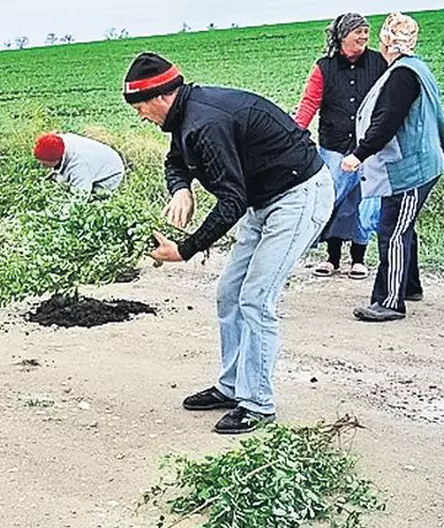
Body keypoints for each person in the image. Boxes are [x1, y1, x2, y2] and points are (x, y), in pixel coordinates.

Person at [130, 52, 334, 435]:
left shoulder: (206, 121)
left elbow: (231, 202)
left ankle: (257, 403)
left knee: (256, 298)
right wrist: (181, 190)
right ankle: (232, 387)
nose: (140, 115)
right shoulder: (184, 117)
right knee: (229, 293)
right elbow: (175, 161)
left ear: (160, 97)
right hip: (264, 199)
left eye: (140, 107)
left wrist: (184, 249)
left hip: (298, 196)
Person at [345, 13, 444, 322]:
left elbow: (386, 122)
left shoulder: (401, 76)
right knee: (403, 225)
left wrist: (358, 155)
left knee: (394, 230)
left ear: (387, 41)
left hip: (409, 168)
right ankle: (409, 286)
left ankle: (389, 301)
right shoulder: (417, 67)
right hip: (423, 161)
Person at [294, 12, 387, 279]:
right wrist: (297, 133)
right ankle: (331, 258)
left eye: (366, 33)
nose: (363, 37)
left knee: (363, 200)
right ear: (343, 35)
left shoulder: (379, 63)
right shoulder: (324, 67)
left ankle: (359, 258)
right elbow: (310, 103)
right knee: (333, 199)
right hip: (334, 145)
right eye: (358, 32)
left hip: (367, 147)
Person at [32, 132, 125, 196]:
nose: (42, 166)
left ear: (56, 159)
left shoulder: (79, 165)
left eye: (44, 164)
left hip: (111, 172)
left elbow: (81, 195)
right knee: (62, 182)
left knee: (94, 198)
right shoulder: (57, 142)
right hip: (96, 159)